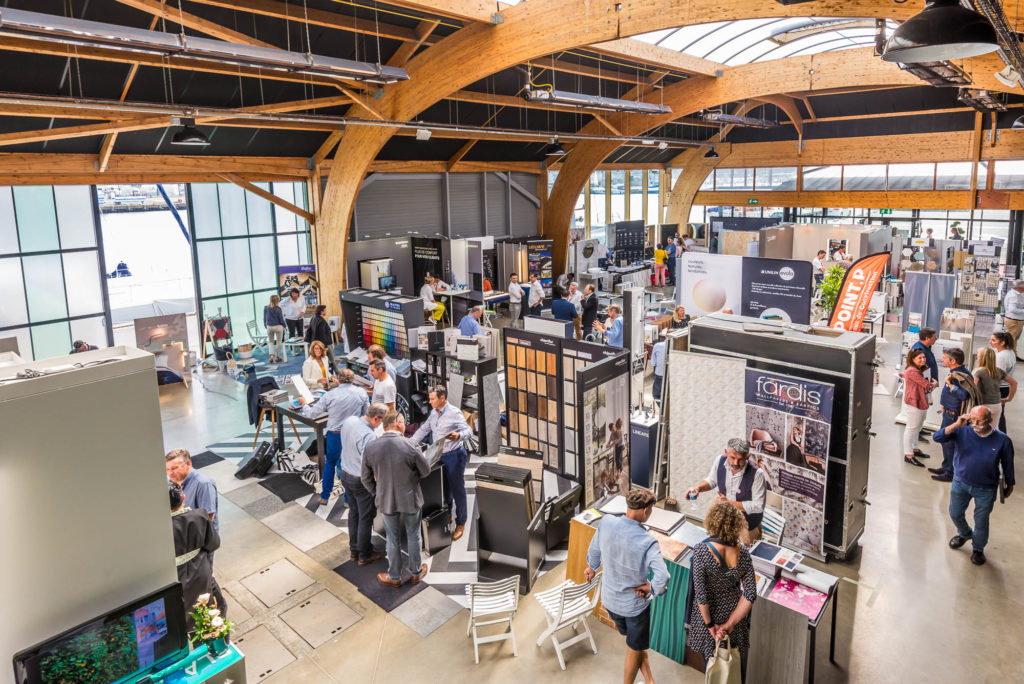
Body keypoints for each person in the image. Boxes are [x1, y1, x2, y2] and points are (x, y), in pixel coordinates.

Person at [584, 489, 669, 684]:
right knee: (634, 648)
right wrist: (651, 588)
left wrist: (591, 567)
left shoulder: (606, 522)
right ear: (646, 510)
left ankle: (649, 681)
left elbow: (594, 549)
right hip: (634, 608)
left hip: (610, 602)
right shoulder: (648, 541)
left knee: (635, 645)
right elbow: (663, 577)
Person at [933, 406, 1014, 566]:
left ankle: (978, 549)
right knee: (955, 513)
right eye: (973, 419)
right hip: (960, 482)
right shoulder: (962, 430)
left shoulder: (1002, 440)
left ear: (990, 420)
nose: (975, 423)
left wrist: (1009, 484)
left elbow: (1007, 464)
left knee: (981, 521)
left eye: (979, 420)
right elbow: (937, 437)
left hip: (986, 488)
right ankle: (965, 533)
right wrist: (956, 424)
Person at [686, 501, 758, 679]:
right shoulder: (744, 554)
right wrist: (730, 624)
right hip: (735, 615)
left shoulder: (702, 551)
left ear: (712, 522)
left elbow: (701, 596)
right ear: (737, 525)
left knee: (712, 667)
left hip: (708, 618)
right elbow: (750, 594)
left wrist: (711, 626)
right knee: (730, 665)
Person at [362, 411, 430, 587]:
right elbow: (425, 471)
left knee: (392, 539)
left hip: (386, 500)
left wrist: (377, 492)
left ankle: (394, 577)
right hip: (410, 498)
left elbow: (365, 477)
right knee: (414, 535)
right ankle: (415, 572)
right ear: (399, 424)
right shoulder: (410, 445)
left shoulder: (371, 447)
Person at [411, 386, 473, 541]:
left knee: (457, 489)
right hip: (439, 455)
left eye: (432, 399)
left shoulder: (454, 412)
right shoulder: (433, 413)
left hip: (455, 456)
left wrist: (458, 435)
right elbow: (424, 429)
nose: (429, 401)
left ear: (442, 398)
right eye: (430, 398)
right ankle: (448, 515)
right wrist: (408, 444)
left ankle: (461, 522)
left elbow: (469, 431)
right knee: (444, 489)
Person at [301, 369, 370, 505]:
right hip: (352, 435)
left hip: (335, 436)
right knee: (348, 467)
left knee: (330, 463)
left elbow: (312, 414)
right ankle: (347, 501)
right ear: (353, 380)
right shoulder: (361, 393)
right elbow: (365, 414)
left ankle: (325, 496)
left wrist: (304, 405)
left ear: (338, 379)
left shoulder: (330, 395)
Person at [686, 438, 767, 543]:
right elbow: (712, 480)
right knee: (721, 553)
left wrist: (728, 503)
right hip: (724, 522)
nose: (735, 463)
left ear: (747, 457)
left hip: (747, 527)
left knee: (747, 556)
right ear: (726, 452)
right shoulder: (719, 460)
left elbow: (758, 506)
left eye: (740, 459)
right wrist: (698, 488)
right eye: (732, 458)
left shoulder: (757, 474)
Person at [339, 403, 388, 566]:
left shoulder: (350, 421)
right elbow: (372, 463)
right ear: (376, 418)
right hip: (360, 481)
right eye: (381, 422)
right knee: (366, 517)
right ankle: (364, 554)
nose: (380, 425)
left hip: (345, 474)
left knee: (354, 513)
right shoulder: (369, 435)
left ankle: (354, 550)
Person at [169, 481, 223, 624]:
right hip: (200, 572)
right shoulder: (199, 516)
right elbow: (214, 544)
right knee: (214, 609)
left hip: (174, 577)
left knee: (184, 616)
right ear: (183, 497)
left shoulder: (159, 528)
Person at [929, 348, 977, 483]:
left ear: (953, 361)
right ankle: (946, 467)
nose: (942, 359)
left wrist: (950, 384)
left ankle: (950, 472)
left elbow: (963, 395)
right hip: (948, 413)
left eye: (945, 357)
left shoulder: (961, 375)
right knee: (945, 441)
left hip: (953, 416)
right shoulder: (955, 372)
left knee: (949, 443)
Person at [166, 448, 219, 534]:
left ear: (188, 464)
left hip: (200, 538)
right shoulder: (172, 481)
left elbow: (208, 517)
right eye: (167, 469)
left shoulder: (203, 484)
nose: (170, 473)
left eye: (174, 468)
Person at [900, 348, 937, 467]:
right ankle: (908, 455)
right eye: (919, 358)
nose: (923, 359)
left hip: (921, 401)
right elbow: (928, 385)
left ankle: (915, 449)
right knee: (911, 428)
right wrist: (934, 384)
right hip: (914, 402)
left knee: (918, 427)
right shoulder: (912, 371)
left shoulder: (918, 369)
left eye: (924, 357)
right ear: (912, 359)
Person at [974, 347, 1016, 430]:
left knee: (979, 430)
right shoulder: (999, 371)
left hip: (982, 405)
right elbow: (1014, 383)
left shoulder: (978, 372)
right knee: (994, 430)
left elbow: (973, 389)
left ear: (981, 358)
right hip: (996, 405)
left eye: (978, 356)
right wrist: (1009, 398)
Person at [991, 330, 1016, 432]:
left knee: (997, 417)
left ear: (1002, 343)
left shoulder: (1001, 357)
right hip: (1003, 388)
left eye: (993, 340)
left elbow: (997, 377)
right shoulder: (1010, 352)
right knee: (999, 415)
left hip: (999, 389)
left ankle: (1001, 439)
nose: (990, 342)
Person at [305, 304, 336, 370]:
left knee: (319, 360)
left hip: (315, 343)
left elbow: (310, 330)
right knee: (330, 359)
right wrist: (324, 347)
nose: (326, 311)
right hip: (322, 344)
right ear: (321, 312)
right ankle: (336, 373)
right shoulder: (321, 321)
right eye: (325, 310)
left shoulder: (314, 318)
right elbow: (322, 335)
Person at [264, 294, 287, 362]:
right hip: (278, 326)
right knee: (278, 342)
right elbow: (281, 319)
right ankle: (277, 357)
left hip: (269, 326)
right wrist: (284, 325)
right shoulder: (278, 309)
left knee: (270, 342)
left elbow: (264, 318)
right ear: (278, 300)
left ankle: (271, 356)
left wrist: (266, 325)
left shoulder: (266, 308)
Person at [1002, 280, 1024, 352]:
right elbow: (1012, 309)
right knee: (1011, 339)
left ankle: (1012, 354)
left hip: (1016, 320)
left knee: (1013, 339)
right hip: (1014, 321)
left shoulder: (1015, 294)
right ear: (1021, 287)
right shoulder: (1014, 295)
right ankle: (1009, 355)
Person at [650, 335, 666, 400]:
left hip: (660, 374)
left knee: (656, 396)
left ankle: (660, 409)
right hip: (673, 376)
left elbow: (652, 363)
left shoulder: (658, 346)